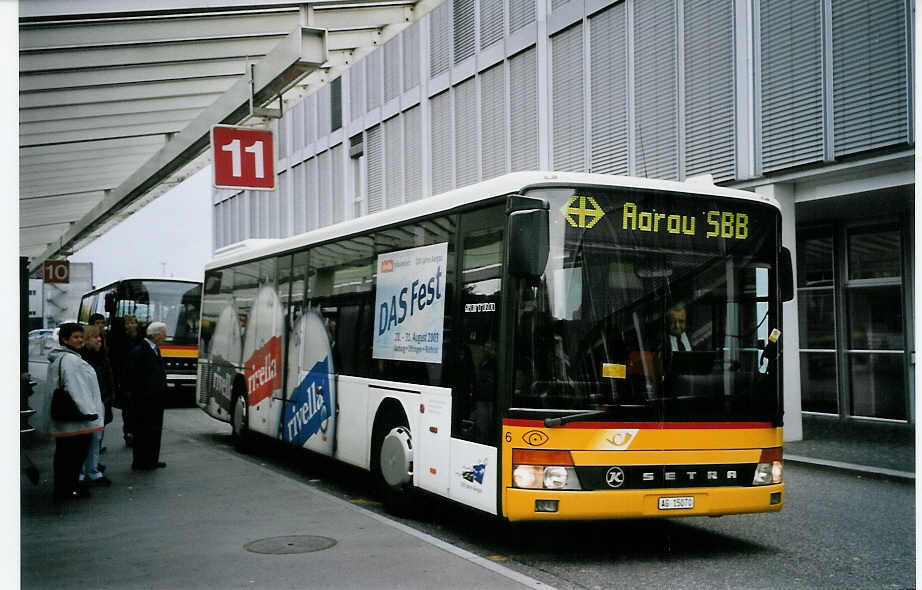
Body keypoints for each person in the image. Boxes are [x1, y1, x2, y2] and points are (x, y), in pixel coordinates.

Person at [34, 323, 103, 501]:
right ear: (65, 339)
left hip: (66, 418)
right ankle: (68, 489)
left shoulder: (62, 358)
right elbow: (77, 388)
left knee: (65, 455)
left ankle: (66, 487)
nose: (80, 340)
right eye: (75, 337)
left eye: (81, 336)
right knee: (72, 456)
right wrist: (90, 412)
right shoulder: (71, 360)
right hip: (76, 419)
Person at [126, 321, 169, 470]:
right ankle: (141, 461)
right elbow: (133, 378)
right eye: (164, 333)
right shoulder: (139, 351)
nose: (165, 336)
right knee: (143, 431)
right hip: (144, 400)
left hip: (156, 400)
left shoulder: (154, 349)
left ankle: (151, 459)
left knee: (154, 430)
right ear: (156, 335)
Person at [79, 324, 114, 487]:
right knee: (85, 438)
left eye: (100, 336)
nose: (99, 339)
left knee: (95, 438)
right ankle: (81, 472)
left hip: (100, 400)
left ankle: (92, 470)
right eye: (95, 337)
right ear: (86, 340)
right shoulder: (82, 358)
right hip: (87, 402)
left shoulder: (101, 356)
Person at [110, 314, 142, 447]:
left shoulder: (141, 339)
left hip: (140, 380)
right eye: (128, 323)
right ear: (124, 326)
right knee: (128, 409)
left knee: (139, 409)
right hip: (125, 380)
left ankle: (137, 433)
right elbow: (115, 361)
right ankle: (128, 433)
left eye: (133, 323)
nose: (131, 325)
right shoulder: (118, 340)